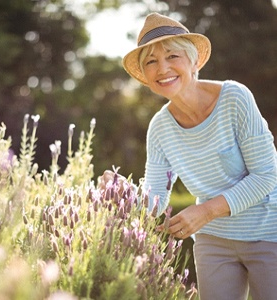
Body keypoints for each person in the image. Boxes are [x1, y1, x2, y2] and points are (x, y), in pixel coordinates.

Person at [99, 12, 277, 300]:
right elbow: (155, 201)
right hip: (213, 241)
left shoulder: (235, 99)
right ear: (145, 76)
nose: (163, 68)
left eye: (172, 56)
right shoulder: (159, 129)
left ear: (194, 61)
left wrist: (205, 211)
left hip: (269, 232)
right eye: (151, 62)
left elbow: (266, 175)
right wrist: (122, 191)